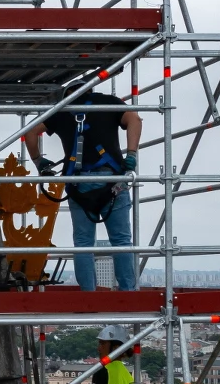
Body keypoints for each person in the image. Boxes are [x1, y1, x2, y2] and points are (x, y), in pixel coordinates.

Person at [25, 84, 142, 292]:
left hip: (78, 184)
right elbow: (134, 119)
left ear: (68, 94)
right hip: (112, 182)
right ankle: (128, 293)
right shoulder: (107, 102)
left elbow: (31, 132)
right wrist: (131, 155)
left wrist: (38, 162)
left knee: (83, 243)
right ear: (90, 90)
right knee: (122, 240)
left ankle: (89, 295)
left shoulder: (61, 110)